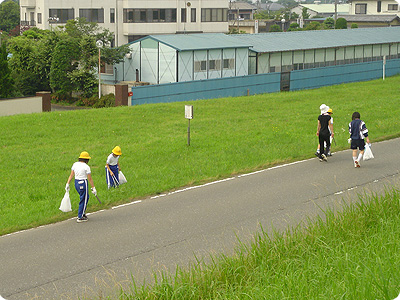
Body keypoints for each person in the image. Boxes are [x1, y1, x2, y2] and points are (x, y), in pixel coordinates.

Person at [65, 151, 97, 222]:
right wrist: (93, 188)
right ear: (86, 160)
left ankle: (82, 212)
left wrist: (68, 183)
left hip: (76, 182)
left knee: (85, 197)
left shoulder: (75, 164)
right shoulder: (86, 167)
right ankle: (80, 216)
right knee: (84, 199)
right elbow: (90, 179)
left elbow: (71, 175)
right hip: (83, 183)